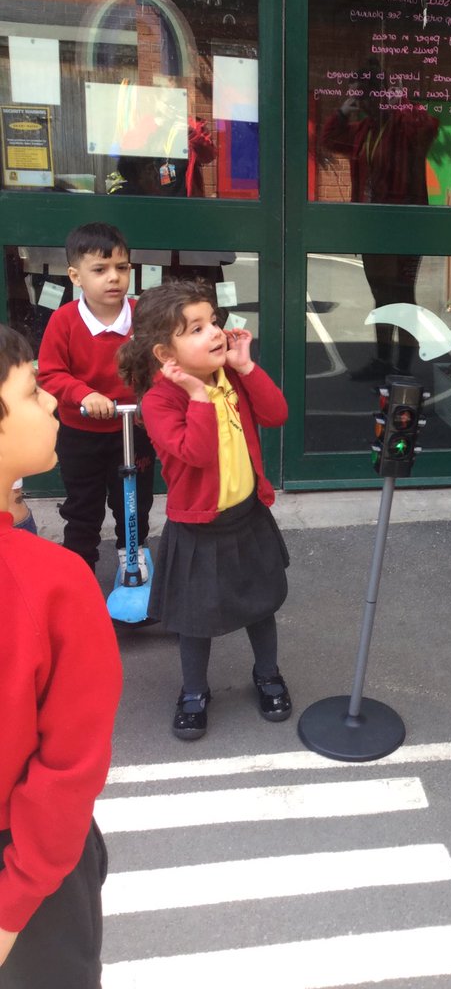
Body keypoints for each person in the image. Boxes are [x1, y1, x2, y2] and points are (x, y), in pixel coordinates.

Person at [0, 324, 121, 988]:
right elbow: (68, 767)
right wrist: (13, 910)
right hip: (32, 876)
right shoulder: (56, 580)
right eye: (31, 393)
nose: (50, 403)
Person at [118, 280, 292, 740]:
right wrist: (198, 396)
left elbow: (276, 414)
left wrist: (247, 366)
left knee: (260, 606)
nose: (214, 332)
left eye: (213, 321)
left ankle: (268, 674)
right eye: (195, 328)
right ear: (164, 354)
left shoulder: (231, 376)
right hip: (198, 528)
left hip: (247, 516)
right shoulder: (159, 400)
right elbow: (193, 454)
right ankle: (194, 691)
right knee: (195, 619)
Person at [37, 222, 154, 581]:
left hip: (133, 429)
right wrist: (84, 393)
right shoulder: (65, 321)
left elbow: (162, 362)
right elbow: (51, 374)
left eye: (121, 268)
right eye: (100, 270)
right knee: (82, 507)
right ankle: (79, 568)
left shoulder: (142, 316)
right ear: (76, 276)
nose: (113, 278)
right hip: (81, 432)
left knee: (134, 503)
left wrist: (152, 399)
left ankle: (131, 553)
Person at [321, 77, 438, 380]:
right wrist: (344, 111)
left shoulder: (403, 126)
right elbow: (330, 139)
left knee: (402, 295)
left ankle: (402, 367)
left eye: (371, 97)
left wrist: (403, 101)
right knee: (381, 294)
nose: (368, 104)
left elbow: (428, 127)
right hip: (372, 226)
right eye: (363, 98)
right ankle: (383, 362)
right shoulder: (366, 130)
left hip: (405, 227)